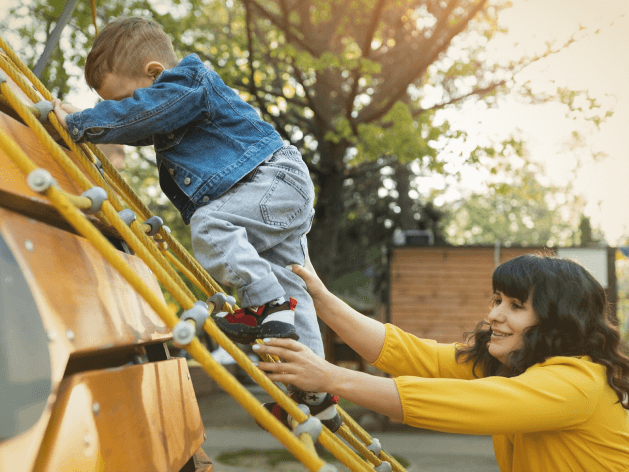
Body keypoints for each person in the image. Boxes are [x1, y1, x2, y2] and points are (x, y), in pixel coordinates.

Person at [53, 16, 340, 429]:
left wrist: (80, 123)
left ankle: (266, 304)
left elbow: (141, 113)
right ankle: (315, 394)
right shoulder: (168, 101)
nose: (124, 110)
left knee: (208, 223)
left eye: (124, 98)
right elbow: (135, 121)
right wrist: (82, 117)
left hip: (272, 181)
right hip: (273, 197)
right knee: (295, 285)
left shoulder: (188, 81)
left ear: (155, 72)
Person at [254, 253, 629, 471]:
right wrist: (322, 299)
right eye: (497, 299)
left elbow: (471, 405)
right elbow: (416, 355)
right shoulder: (513, 363)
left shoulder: (578, 382)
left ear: (556, 322)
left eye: (516, 306)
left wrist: (331, 378)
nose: (496, 314)